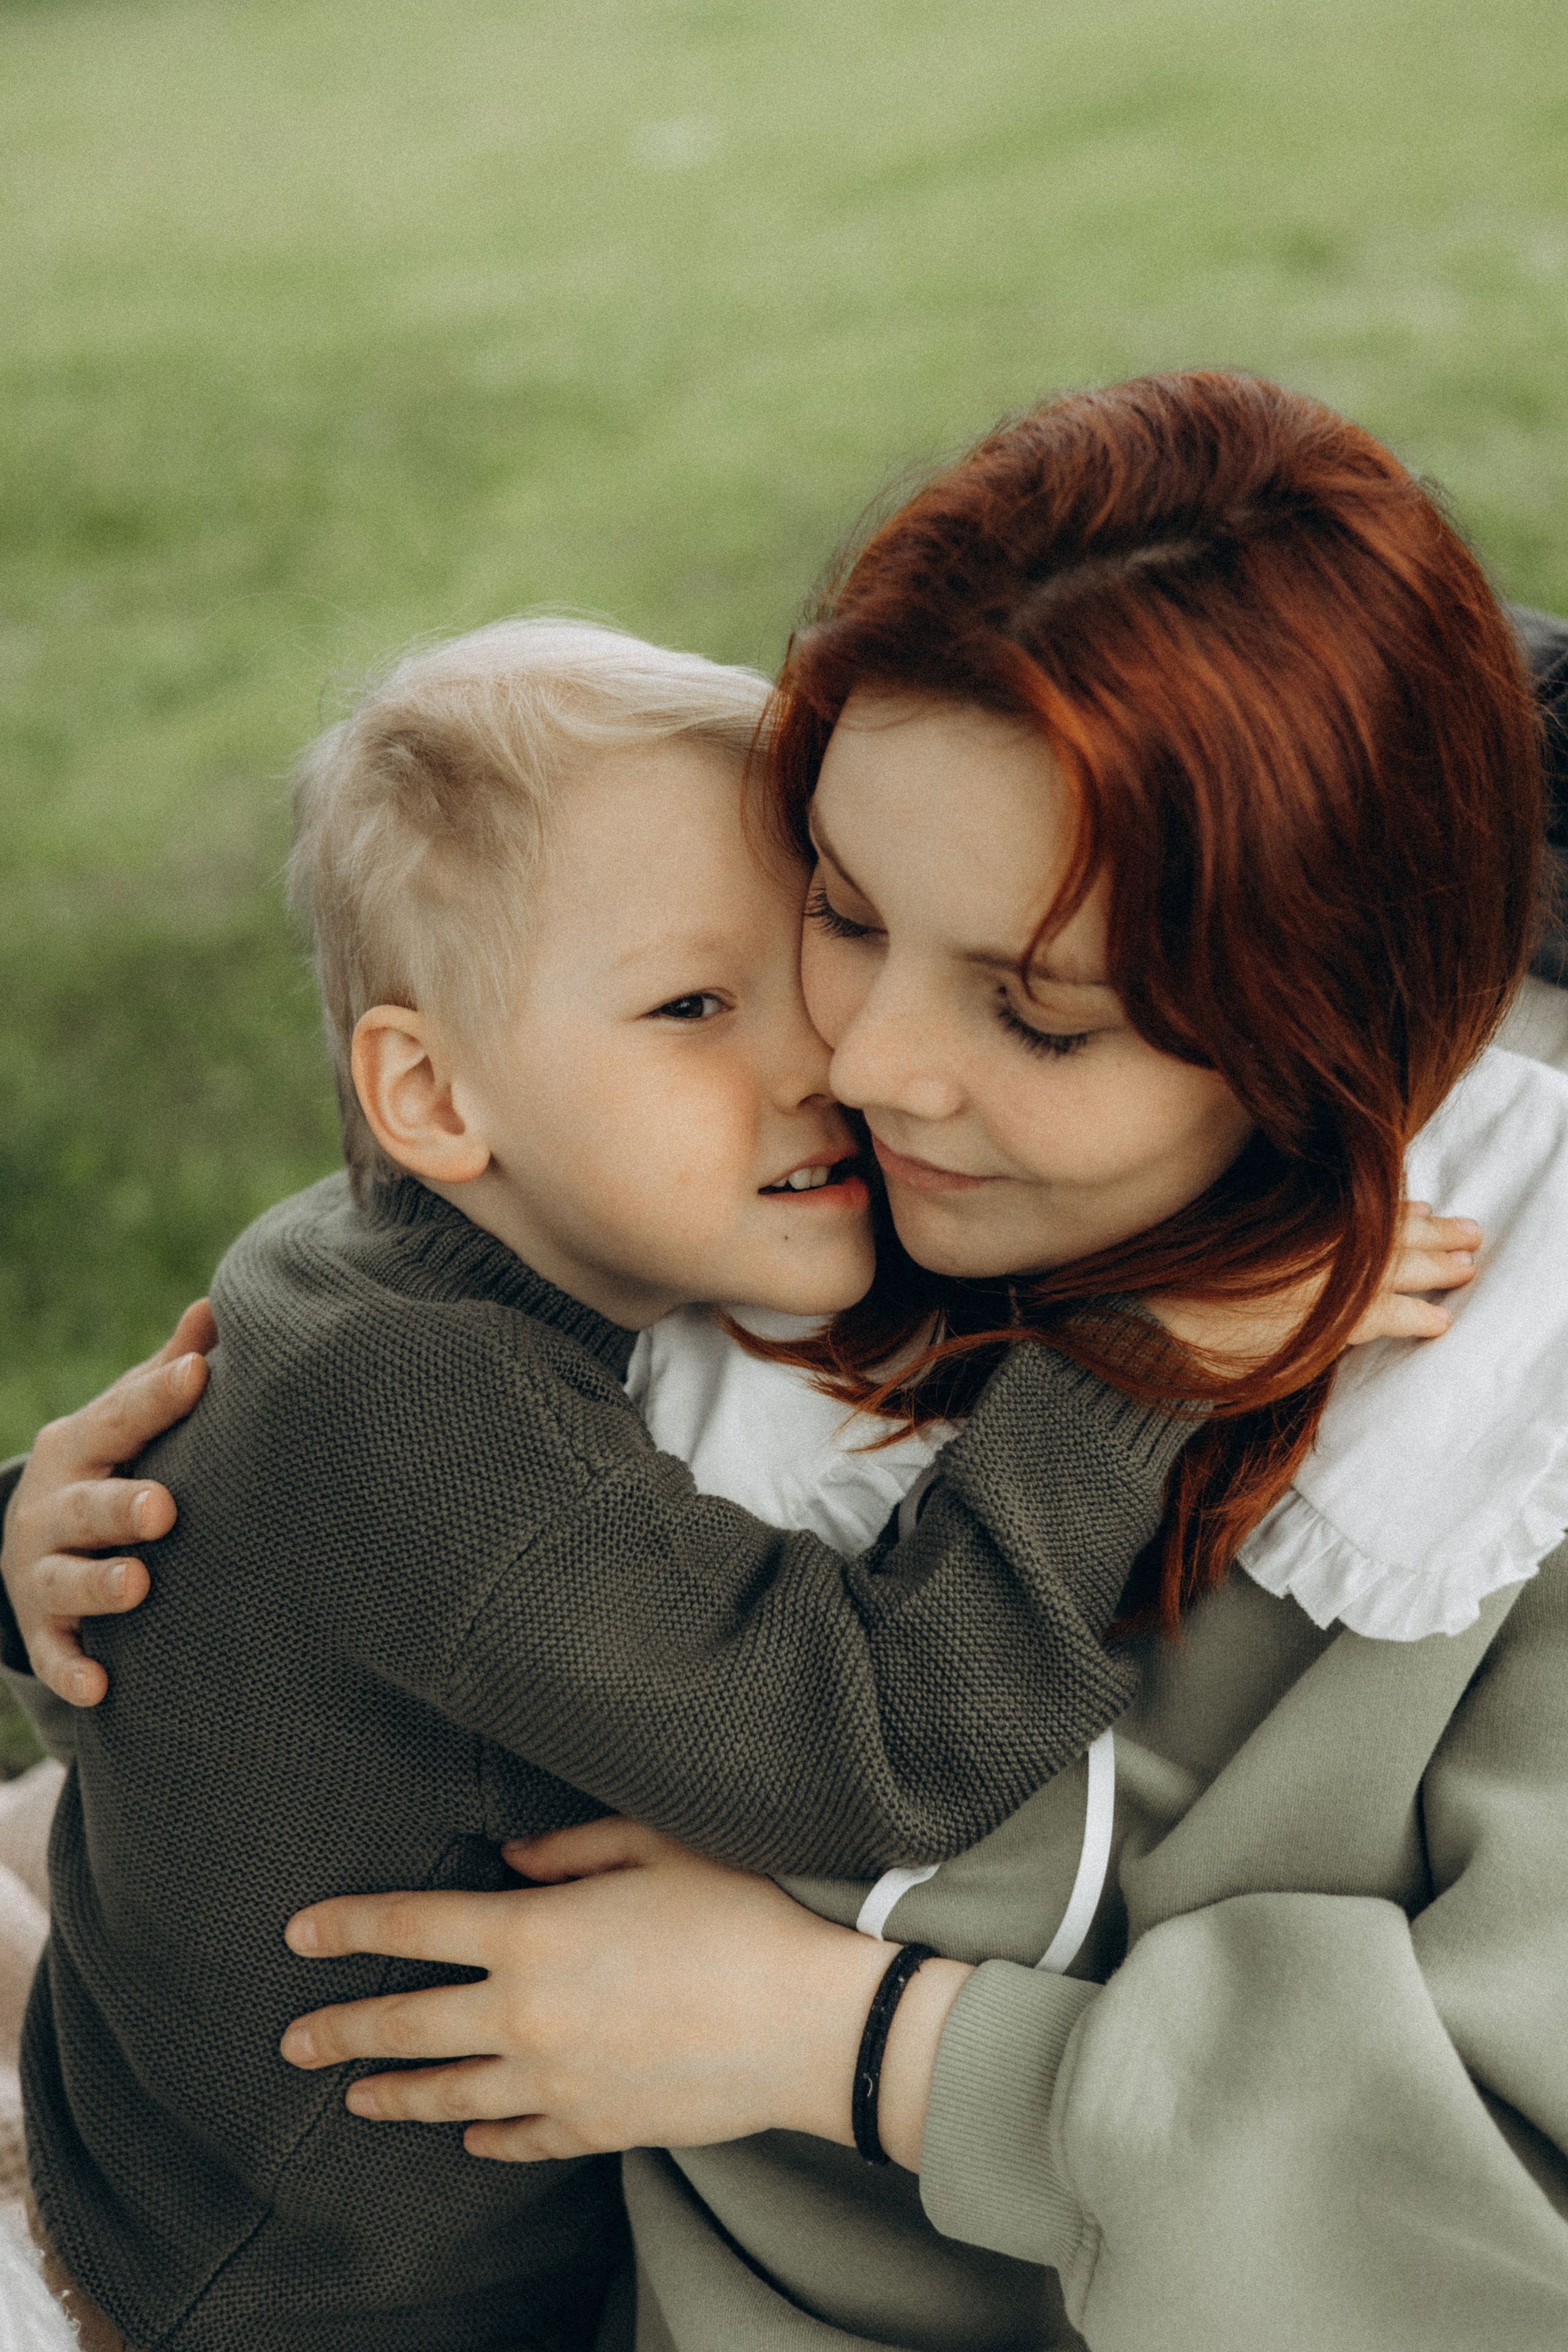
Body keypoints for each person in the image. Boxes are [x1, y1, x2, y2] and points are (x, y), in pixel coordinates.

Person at [2, 372, 1566, 2352]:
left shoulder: (1498, 1451)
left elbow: (1499, 2238)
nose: (865, 1066)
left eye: (1041, 1016)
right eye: (840, 907)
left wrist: (859, 2047)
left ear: (1339, 1019)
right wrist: (59, 1531)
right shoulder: (697, 1236)